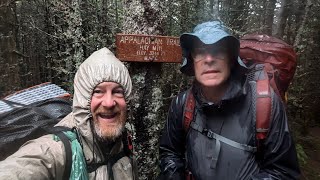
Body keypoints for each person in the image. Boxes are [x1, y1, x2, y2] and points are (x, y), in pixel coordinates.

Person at [159, 21, 301, 179]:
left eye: (218, 50)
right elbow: (170, 153)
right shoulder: (182, 104)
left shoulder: (264, 104)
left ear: (231, 58)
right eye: (199, 51)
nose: (208, 59)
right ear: (192, 60)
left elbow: (283, 171)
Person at [0, 47, 137, 179]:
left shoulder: (123, 142)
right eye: (98, 92)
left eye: (117, 92)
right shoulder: (57, 151)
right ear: (84, 99)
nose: (109, 103)